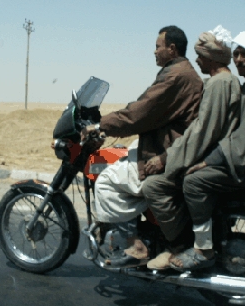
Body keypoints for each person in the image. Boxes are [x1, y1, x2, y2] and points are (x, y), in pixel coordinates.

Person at [81, 25, 203, 267]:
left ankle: (134, 244)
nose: (154, 51)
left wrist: (101, 124)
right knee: (124, 156)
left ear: (172, 48)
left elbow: (140, 112)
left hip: (166, 151)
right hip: (166, 143)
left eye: (158, 47)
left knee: (106, 181)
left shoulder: (175, 77)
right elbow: (144, 108)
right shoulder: (181, 72)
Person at [168, 30, 245, 271]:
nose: (239, 60)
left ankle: (202, 249)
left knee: (193, 182)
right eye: (236, 54)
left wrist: (208, 161)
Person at [141, 25, 241, 270]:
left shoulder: (219, 84)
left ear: (212, 57)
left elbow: (202, 131)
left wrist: (166, 158)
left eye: (201, 56)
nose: (197, 60)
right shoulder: (225, 81)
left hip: (209, 158)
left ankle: (179, 245)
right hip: (215, 156)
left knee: (153, 186)